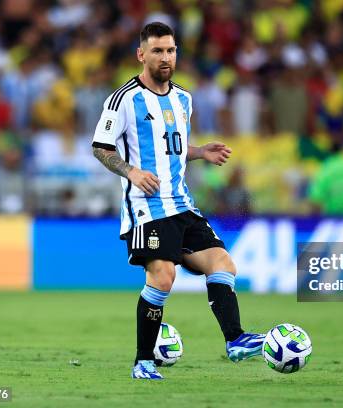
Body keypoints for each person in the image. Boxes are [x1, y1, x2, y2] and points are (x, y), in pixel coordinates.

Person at [91, 22, 264, 380]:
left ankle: (235, 340)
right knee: (163, 275)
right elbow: (100, 147)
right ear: (142, 54)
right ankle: (143, 362)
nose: (165, 57)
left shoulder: (183, 99)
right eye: (157, 51)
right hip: (147, 207)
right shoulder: (123, 99)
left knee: (222, 263)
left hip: (182, 204)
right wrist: (131, 172)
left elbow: (173, 149)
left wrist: (200, 151)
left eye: (170, 50)